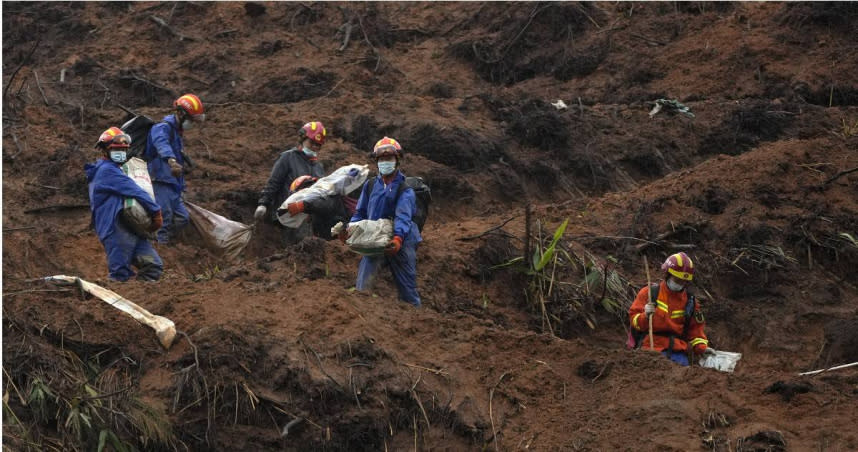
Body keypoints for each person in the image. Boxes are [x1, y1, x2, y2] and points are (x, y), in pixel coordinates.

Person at [344, 137, 422, 307]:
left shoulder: (405, 189)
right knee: (363, 287)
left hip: (402, 240)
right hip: (376, 237)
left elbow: (403, 217)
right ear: (377, 161)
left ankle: (415, 316)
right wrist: (350, 230)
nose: (385, 162)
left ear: (397, 161)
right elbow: (360, 212)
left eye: (389, 159)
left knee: (408, 290)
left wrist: (398, 239)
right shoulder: (371, 186)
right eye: (382, 159)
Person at [85, 127, 164, 281]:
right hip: (115, 228)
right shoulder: (106, 171)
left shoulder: (115, 169)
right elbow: (135, 190)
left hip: (130, 226)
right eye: (116, 149)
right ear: (104, 150)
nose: (121, 152)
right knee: (120, 274)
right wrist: (156, 212)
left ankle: (142, 300)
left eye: (123, 149)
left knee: (153, 266)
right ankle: (112, 302)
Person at [143, 93, 205, 244]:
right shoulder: (162, 128)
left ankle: (164, 244)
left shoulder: (177, 133)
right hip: (160, 180)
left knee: (182, 218)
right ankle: (159, 247)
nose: (191, 123)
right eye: (190, 119)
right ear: (181, 114)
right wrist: (171, 160)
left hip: (173, 185)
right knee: (164, 217)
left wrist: (181, 187)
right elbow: (161, 144)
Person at [628, 252, 709, 365]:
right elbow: (633, 320)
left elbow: (696, 331)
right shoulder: (649, 293)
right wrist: (645, 316)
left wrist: (702, 348)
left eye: (683, 281)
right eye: (677, 279)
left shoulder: (691, 302)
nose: (680, 283)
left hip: (678, 352)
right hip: (651, 348)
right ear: (668, 274)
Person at [254, 121, 327, 245]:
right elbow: (274, 182)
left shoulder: (318, 167)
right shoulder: (288, 158)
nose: (314, 147)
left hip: (305, 219)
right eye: (312, 143)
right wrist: (263, 203)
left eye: (318, 145)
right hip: (286, 216)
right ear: (302, 139)